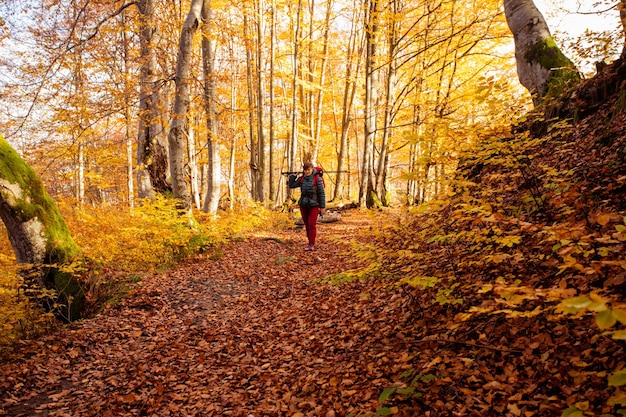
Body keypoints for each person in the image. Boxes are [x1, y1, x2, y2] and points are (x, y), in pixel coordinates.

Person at [288, 162, 326, 251]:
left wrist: (322, 206)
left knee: (311, 225)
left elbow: (321, 193)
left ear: (312, 169)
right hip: (303, 204)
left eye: (308, 169)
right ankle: (310, 242)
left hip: (314, 204)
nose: (307, 171)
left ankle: (312, 243)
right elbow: (291, 185)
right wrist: (293, 177)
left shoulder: (317, 179)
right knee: (307, 225)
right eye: (305, 170)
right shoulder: (302, 179)